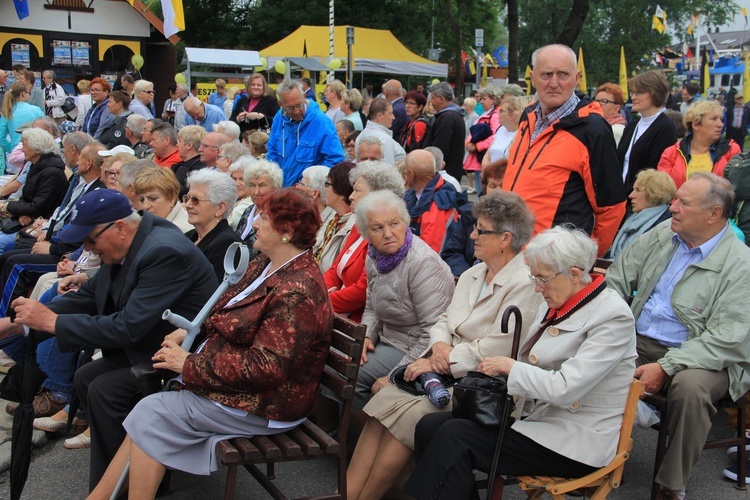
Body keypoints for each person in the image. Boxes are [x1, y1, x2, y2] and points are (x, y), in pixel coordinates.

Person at [86, 188, 332, 499]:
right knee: (149, 414)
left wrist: (188, 364)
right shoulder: (266, 263)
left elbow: (267, 368)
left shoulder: (298, 288)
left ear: (287, 232)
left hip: (270, 403)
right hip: (241, 388)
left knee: (151, 412)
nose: (254, 223)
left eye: (264, 218)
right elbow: (226, 307)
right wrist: (191, 330)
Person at [1, 188, 218, 490]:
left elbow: (129, 327)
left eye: (91, 240)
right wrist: (17, 324)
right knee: (87, 377)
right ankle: (124, 478)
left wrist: (53, 322)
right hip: (150, 347)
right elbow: (92, 295)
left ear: (119, 227)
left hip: (181, 358)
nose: (87, 248)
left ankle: (124, 487)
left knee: (105, 389)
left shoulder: (163, 250)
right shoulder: (134, 239)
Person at [404, 225, 637, 499]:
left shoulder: (612, 317)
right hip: (540, 420)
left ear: (574, 274)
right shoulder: (557, 300)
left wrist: (510, 367)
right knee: (430, 427)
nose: (537, 287)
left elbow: (565, 389)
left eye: (543, 278)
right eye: (534, 276)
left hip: (578, 439)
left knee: (455, 436)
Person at [347, 191, 542, 499]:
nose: (472, 234)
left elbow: (499, 348)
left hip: (481, 384)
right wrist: (439, 348)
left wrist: (444, 361)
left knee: (411, 416)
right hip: (445, 371)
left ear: (505, 239)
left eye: (480, 229)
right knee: (380, 410)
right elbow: (442, 321)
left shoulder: (526, 284)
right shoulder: (474, 272)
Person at [607, 172, 750, 499]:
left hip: (703, 356)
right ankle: (599, 460)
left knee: (689, 389)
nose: (672, 207)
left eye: (684, 203)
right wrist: (609, 329)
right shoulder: (662, 235)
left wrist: (668, 366)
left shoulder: (740, 263)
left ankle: (671, 485)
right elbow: (617, 280)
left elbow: (728, 338)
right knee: (589, 355)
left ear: (713, 214)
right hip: (640, 339)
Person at [503, 44, 626, 256]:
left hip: (553, 261)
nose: (554, 83)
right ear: (533, 78)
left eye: (563, 74)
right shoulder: (528, 117)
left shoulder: (592, 130)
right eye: (546, 74)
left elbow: (611, 206)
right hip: (511, 249)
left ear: (576, 77)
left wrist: (584, 255)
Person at [354, 190, 454, 409]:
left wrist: (393, 376)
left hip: (412, 347)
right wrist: (367, 335)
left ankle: (352, 438)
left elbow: (433, 332)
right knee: (336, 362)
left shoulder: (423, 264)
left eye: (394, 224)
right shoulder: (375, 256)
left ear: (406, 223)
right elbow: (371, 305)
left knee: (352, 375)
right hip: (386, 338)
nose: (388, 233)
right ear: (366, 233)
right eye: (377, 228)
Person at [324, 161, 405, 322]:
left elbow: (363, 291)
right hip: (337, 312)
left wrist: (321, 301)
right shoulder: (359, 225)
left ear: (376, 196)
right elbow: (335, 270)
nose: (351, 196)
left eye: (357, 190)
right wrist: (319, 292)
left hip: (359, 322)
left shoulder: (387, 237)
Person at [266, 80, 345, 187]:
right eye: (290, 108)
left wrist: (310, 184)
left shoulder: (321, 122)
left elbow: (336, 159)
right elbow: (272, 152)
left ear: (304, 97)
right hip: (282, 190)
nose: (296, 111)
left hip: (309, 193)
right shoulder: (278, 118)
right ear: (281, 104)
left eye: (299, 105)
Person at [0, 128, 67, 252]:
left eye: (24, 144)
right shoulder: (37, 165)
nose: (22, 149)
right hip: (25, 218)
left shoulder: (51, 173)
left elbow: (37, 207)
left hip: (39, 224)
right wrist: (20, 212)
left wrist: (6, 207)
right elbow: (26, 198)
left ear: (37, 149)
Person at [441, 160, 508, 276]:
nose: (497, 191)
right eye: (492, 185)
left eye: (502, 186)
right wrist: (468, 275)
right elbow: (451, 252)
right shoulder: (470, 215)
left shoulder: (515, 224)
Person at [658, 99, 741, 189]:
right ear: (696, 125)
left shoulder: (731, 150)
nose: (720, 124)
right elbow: (664, 189)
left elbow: (736, 188)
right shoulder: (671, 153)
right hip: (677, 202)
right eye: (714, 119)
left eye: (721, 119)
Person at [617, 71, 678, 194]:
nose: (633, 97)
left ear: (655, 93)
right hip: (621, 199)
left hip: (643, 200)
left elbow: (654, 170)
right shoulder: (632, 126)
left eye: (639, 93)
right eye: (633, 93)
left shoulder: (665, 127)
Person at [183, 169, 242, 279]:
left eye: (195, 200)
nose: (187, 205)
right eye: (187, 198)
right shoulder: (189, 236)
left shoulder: (228, 244)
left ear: (220, 208)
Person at [606, 169, 676, 260]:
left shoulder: (665, 227)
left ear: (654, 194)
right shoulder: (634, 218)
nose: (631, 195)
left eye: (638, 190)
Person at [404, 149, 459, 253]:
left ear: (411, 174)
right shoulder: (417, 194)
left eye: (405, 171)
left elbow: (429, 252)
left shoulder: (438, 205)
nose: (404, 174)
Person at [235, 160, 283, 256]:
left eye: (262, 185)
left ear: (275, 188)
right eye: (252, 186)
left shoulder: (276, 215)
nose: (256, 192)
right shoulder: (248, 210)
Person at [313, 161, 355, 272]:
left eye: (327, 184)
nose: (325, 189)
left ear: (341, 192)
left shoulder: (352, 228)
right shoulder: (336, 219)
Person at [423, 82, 466, 184]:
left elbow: (440, 148)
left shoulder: (447, 118)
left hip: (443, 175)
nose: (431, 102)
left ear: (441, 98)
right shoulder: (453, 115)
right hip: (450, 172)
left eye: (433, 98)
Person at [464, 85, 503, 194]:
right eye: (480, 98)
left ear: (494, 99)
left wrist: (477, 146)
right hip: (480, 157)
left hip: (484, 158)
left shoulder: (494, 115)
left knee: (483, 192)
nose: (481, 101)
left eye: (484, 99)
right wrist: (469, 143)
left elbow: (495, 136)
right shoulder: (488, 113)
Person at [132, 166, 192, 233]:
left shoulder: (180, 231)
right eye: (141, 199)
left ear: (171, 198)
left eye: (152, 198)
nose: (145, 206)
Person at [0, 82, 45, 161]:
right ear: (23, 94)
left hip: (15, 154)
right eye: (29, 93)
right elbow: (45, 132)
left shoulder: (7, 112)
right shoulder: (36, 110)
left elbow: (1, 137)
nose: (29, 95)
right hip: (35, 153)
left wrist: (12, 149)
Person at [355, 98, 406, 166]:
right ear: (379, 116)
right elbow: (388, 169)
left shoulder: (361, 135)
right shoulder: (384, 140)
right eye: (390, 113)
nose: (393, 117)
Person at [482, 95, 524, 170]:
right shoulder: (501, 130)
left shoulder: (521, 133)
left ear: (513, 115)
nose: (498, 113)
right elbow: (488, 155)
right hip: (490, 176)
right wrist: (485, 170)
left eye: (501, 111)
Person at [171, 125, 206, 196]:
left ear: (189, 145)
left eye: (179, 141)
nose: (177, 145)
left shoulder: (199, 168)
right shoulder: (179, 165)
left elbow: (185, 191)